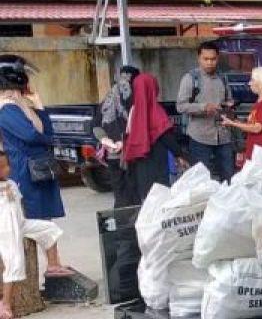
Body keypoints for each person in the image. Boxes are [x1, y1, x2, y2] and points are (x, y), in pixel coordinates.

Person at [0, 151, 66, 319]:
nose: (5, 170)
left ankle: (52, 264)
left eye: (6, 166)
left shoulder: (12, 184)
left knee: (49, 228)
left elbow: (20, 205)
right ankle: (5, 304)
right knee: (14, 262)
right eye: (1, 168)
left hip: (20, 225)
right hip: (5, 231)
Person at [0, 55, 65, 224]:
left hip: (38, 171)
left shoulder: (20, 106)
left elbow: (47, 131)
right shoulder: (6, 109)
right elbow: (31, 135)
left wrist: (38, 105)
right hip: (25, 173)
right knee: (34, 224)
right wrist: (48, 140)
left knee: (45, 225)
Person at [123, 73, 189, 204]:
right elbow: (165, 136)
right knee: (160, 196)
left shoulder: (134, 110)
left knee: (148, 198)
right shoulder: (155, 110)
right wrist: (180, 155)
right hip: (157, 160)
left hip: (140, 162)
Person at [176, 41, 234, 182]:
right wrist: (203, 107)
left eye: (213, 59)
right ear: (199, 58)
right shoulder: (190, 78)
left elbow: (229, 100)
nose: (209, 63)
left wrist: (229, 105)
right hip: (199, 137)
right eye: (206, 59)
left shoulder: (222, 78)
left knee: (229, 178)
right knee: (202, 180)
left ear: (218, 58)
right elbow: (181, 106)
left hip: (223, 136)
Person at [94, 64, 139, 204]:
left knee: (120, 193)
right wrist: (119, 142)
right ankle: (130, 224)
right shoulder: (136, 100)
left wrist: (106, 140)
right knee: (133, 194)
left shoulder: (107, 101)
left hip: (113, 154)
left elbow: (96, 126)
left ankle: (122, 223)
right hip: (132, 155)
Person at [222, 66, 262, 163]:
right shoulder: (261, 101)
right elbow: (253, 123)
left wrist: (233, 124)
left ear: (261, 83)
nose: (249, 83)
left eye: (252, 80)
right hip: (257, 150)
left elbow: (257, 128)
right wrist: (236, 121)